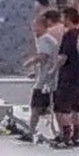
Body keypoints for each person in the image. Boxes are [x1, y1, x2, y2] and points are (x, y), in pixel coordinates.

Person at [20, 9, 62, 143]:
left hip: (45, 82)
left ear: (42, 26)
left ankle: (33, 132)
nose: (33, 29)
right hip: (46, 78)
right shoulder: (45, 39)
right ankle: (34, 131)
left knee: (36, 107)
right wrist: (36, 71)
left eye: (35, 26)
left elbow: (43, 56)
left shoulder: (45, 39)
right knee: (43, 108)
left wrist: (30, 62)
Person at [53, 5, 79, 148]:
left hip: (67, 76)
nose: (62, 20)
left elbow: (63, 57)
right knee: (76, 108)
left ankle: (66, 138)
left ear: (69, 18)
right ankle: (76, 137)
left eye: (64, 17)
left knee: (62, 108)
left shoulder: (69, 35)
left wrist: (53, 70)